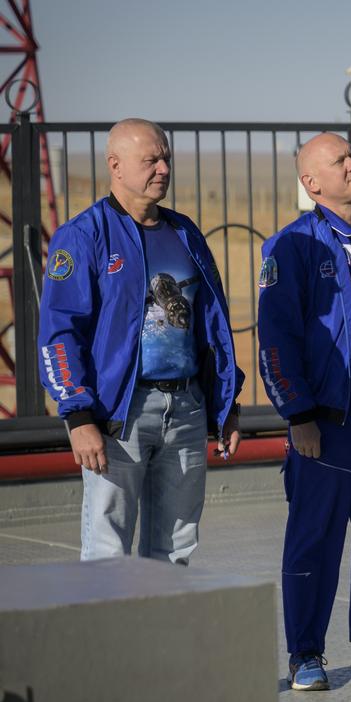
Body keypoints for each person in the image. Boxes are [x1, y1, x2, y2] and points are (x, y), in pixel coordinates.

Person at [38, 117, 243, 562]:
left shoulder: (185, 233)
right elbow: (60, 334)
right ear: (115, 165)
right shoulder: (83, 236)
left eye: (166, 158)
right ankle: (108, 634)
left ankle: (162, 633)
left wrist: (226, 404)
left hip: (187, 409)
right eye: (150, 160)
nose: (163, 168)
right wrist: (78, 415)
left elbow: (214, 327)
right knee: (107, 548)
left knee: (177, 549)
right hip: (118, 415)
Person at [257, 133, 351, 691]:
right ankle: (305, 654)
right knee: (314, 538)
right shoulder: (293, 247)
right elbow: (276, 339)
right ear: (311, 183)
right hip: (327, 425)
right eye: (340, 160)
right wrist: (298, 415)